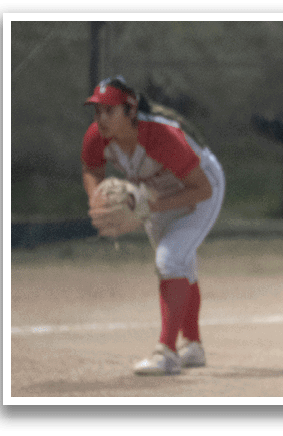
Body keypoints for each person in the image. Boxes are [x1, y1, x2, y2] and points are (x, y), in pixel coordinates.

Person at [81, 76, 225, 375]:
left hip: (200, 187)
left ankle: (167, 353)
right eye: (98, 111)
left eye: (110, 110)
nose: (101, 118)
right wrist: (97, 198)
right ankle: (193, 346)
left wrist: (147, 207)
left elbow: (201, 190)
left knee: (170, 260)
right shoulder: (97, 136)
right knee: (179, 265)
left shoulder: (161, 137)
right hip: (157, 190)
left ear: (130, 110)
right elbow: (91, 168)